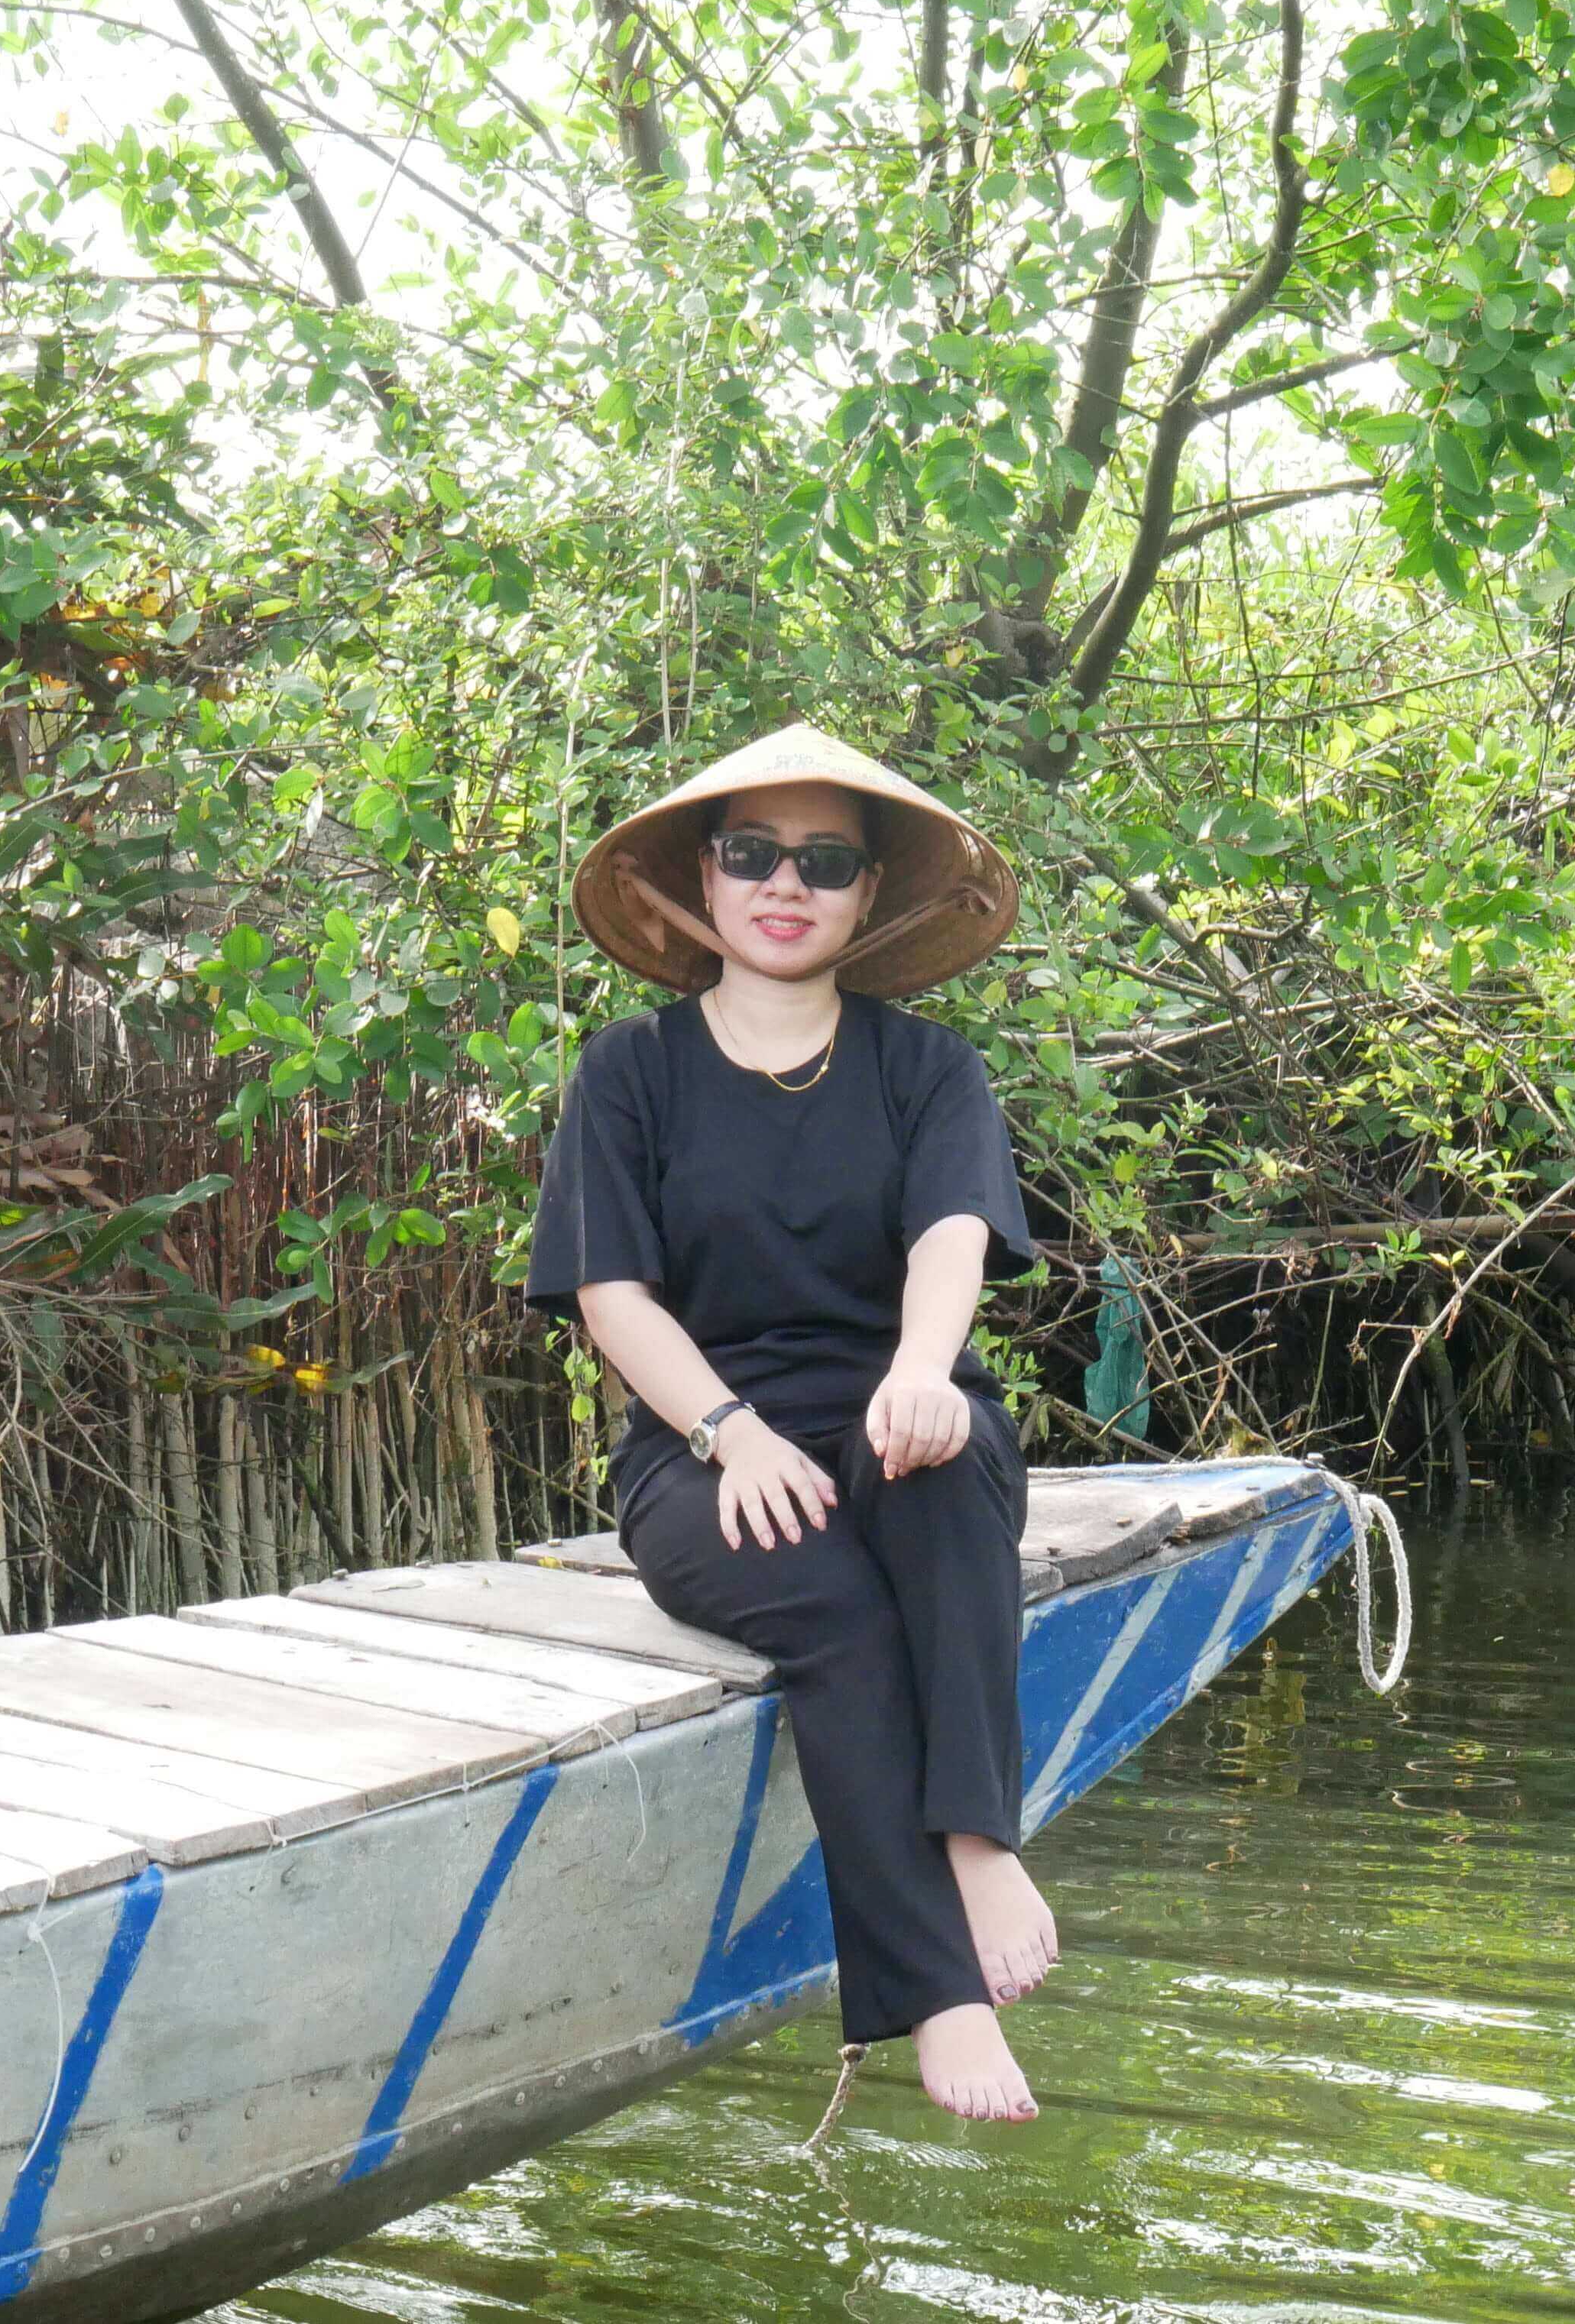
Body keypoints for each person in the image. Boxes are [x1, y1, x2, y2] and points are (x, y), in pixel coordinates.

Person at [523, 722, 1055, 2122]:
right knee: (835, 1608)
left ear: (867, 896)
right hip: (702, 1447)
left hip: (891, 1404)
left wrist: (924, 1369)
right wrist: (731, 1432)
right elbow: (612, 1295)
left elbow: (951, 1234)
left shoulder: (925, 1068)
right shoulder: (630, 1071)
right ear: (704, 876)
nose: (784, 885)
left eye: (824, 863)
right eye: (752, 853)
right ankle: (938, 1996)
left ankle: (979, 1839)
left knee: (946, 1477)